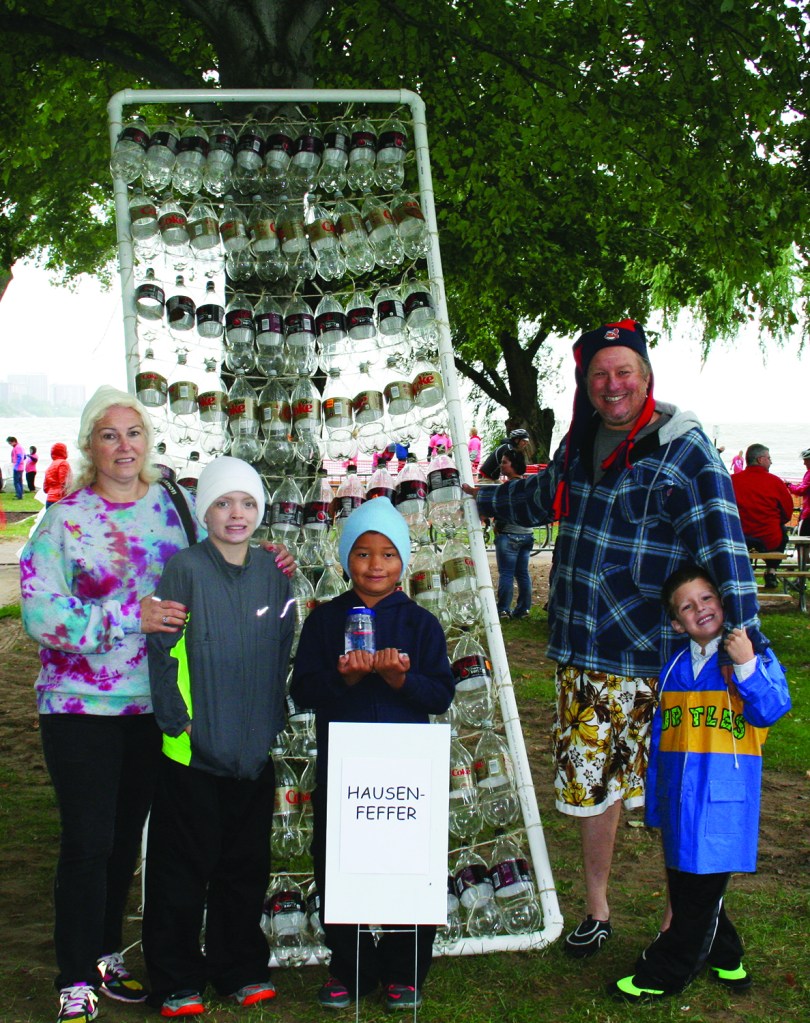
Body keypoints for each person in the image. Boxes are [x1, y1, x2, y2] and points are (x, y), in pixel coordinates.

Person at [463, 320, 762, 959]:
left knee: (673, 792)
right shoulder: (579, 443)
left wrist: (745, 645)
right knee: (592, 790)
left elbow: (724, 547)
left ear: (646, 376)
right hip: (585, 654)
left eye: (623, 371)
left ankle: (679, 921)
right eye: (599, 374)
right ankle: (596, 909)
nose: (612, 385)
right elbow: (542, 495)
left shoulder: (686, 449)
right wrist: (485, 502)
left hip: (664, 660)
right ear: (586, 384)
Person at [19, 386, 294, 1023]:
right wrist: (127, 617)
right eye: (109, 435)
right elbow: (41, 613)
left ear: (148, 442)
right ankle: (73, 974)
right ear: (90, 444)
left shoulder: (173, 508)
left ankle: (108, 955)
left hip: (154, 709)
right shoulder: (63, 520)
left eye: (134, 434)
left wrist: (270, 556)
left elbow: (226, 543)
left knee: (125, 843)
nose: (124, 447)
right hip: (81, 707)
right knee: (87, 842)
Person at [290, 498, 454, 1013]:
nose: (375, 565)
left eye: (387, 554)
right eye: (362, 553)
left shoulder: (421, 624)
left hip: (408, 769)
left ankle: (405, 969)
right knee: (339, 861)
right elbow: (304, 690)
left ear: (403, 561)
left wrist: (401, 678)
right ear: (345, 560)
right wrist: (347, 676)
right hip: (345, 767)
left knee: (409, 862)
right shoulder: (324, 622)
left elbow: (440, 695)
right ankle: (350, 966)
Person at [143, 456, 293, 1018]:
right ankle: (176, 976)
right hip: (193, 755)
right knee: (182, 872)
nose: (236, 514)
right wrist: (176, 722)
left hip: (252, 755)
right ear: (204, 510)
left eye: (248, 503)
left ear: (260, 511)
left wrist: (270, 721)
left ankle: (239, 967)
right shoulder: (184, 569)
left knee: (244, 869)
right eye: (223, 503)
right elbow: (163, 652)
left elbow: (282, 647)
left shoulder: (274, 572)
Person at [611, 565, 790, 1002]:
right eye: (688, 607)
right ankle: (725, 954)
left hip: (722, 800)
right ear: (677, 623)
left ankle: (667, 970)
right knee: (689, 882)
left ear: (724, 603)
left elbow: (771, 709)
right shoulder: (673, 669)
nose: (701, 610)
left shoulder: (750, 659)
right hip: (679, 799)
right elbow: (662, 741)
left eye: (707, 599)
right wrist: (658, 800)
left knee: (696, 893)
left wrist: (747, 662)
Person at [731, 444, 794, 588]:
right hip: (769, 539)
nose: (771, 461)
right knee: (782, 532)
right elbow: (787, 513)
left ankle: (740, 574)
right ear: (760, 459)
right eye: (769, 458)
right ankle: (771, 571)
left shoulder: (732, 480)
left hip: (739, 538)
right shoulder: (775, 481)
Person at [494, 449, 533, 620]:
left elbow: (500, 509)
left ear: (514, 465)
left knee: (507, 573)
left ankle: (503, 609)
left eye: (504, 462)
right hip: (527, 535)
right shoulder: (528, 485)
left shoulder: (507, 488)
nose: (501, 465)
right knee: (522, 573)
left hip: (509, 535)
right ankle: (524, 608)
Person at [788, 447, 810, 537]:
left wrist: (789, 485)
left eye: (806, 460)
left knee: (802, 539)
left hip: (808, 513)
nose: (804, 463)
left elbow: (801, 490)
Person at [43, 443, 72, 508]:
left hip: (49, 500)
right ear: (63, 451)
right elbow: (64, 483)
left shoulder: (50, 466)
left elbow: (45, 488)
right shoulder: (63, 463)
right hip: (60, 499)